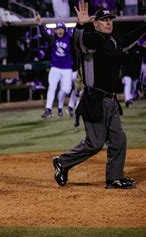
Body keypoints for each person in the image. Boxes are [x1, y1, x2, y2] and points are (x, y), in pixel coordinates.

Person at [52, 1, 145, 189]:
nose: (108, 22)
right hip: (95, 99)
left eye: (110, 19)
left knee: (119, 139)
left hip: (110, 99)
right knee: (94, 143)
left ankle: (114, 178)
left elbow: (131, 37)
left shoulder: (114, 40)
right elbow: (78, 42)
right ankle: (62, 162)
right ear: (95, 24)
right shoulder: (92, 39)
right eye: (103, 20)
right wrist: (81, 25)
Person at [37, 13, 74, 118]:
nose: (60, 30)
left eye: (61, 28)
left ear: (65, 30)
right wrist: (40, 24)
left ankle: (59, 103)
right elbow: (44, 34)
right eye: (58, 28)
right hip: (55, 67)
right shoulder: (53, 39)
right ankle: (48, 110)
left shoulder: (70, 39)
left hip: (67, 68)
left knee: (66, 89)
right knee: (51, 87)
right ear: (55, 30)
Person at [121, 40, 143, 107]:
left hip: (135, 73)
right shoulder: (125, 48)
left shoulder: (139, 49)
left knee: (133, 88)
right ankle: (128, 100)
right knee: (128, 83)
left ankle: (131, 99)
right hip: (126, 72)